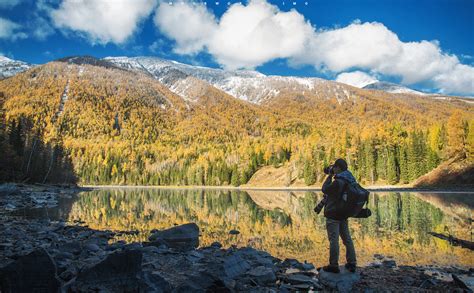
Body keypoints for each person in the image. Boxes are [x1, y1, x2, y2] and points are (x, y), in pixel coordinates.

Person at [321, 158, 357, 273]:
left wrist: (329, 176)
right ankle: (352, 263)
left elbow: (325, 189)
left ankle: (333, 265)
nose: (333, 169)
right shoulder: (350, 179)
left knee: (334, 240)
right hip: (343, 214)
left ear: (338, 168)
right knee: (347, 239)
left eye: (334, 167)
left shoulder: (338, 181)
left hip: (333, 214)